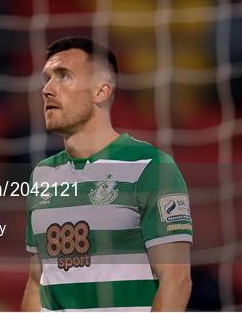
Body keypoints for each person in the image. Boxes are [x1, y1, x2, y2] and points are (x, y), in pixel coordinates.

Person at [21, 37, 193, 311]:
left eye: (63, 76)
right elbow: (35, 283)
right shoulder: (43, 176)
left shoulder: (150, 166)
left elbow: (176, 281)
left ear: (101, 91)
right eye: (47, 78)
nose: (47, 89)